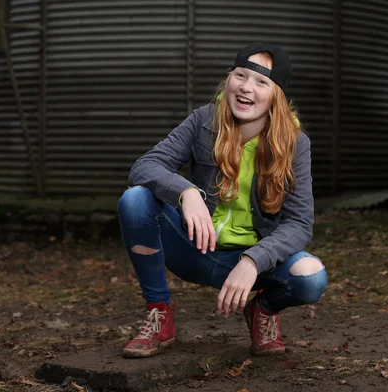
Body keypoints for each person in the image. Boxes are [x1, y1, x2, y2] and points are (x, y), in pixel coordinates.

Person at [117, 42, 327, 358]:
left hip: (251, 264)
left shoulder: (295, 144)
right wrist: (186, 193)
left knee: (311, 277)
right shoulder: (204, 121)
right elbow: (144, 166)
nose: (246, 87)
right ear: (229, 79)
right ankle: (160, 314)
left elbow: (299, 223)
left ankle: (263, 310)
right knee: (134, 200)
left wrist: (254, 260)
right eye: (240, 75)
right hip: (194, 248)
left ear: (276, 96)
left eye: (261, 82)